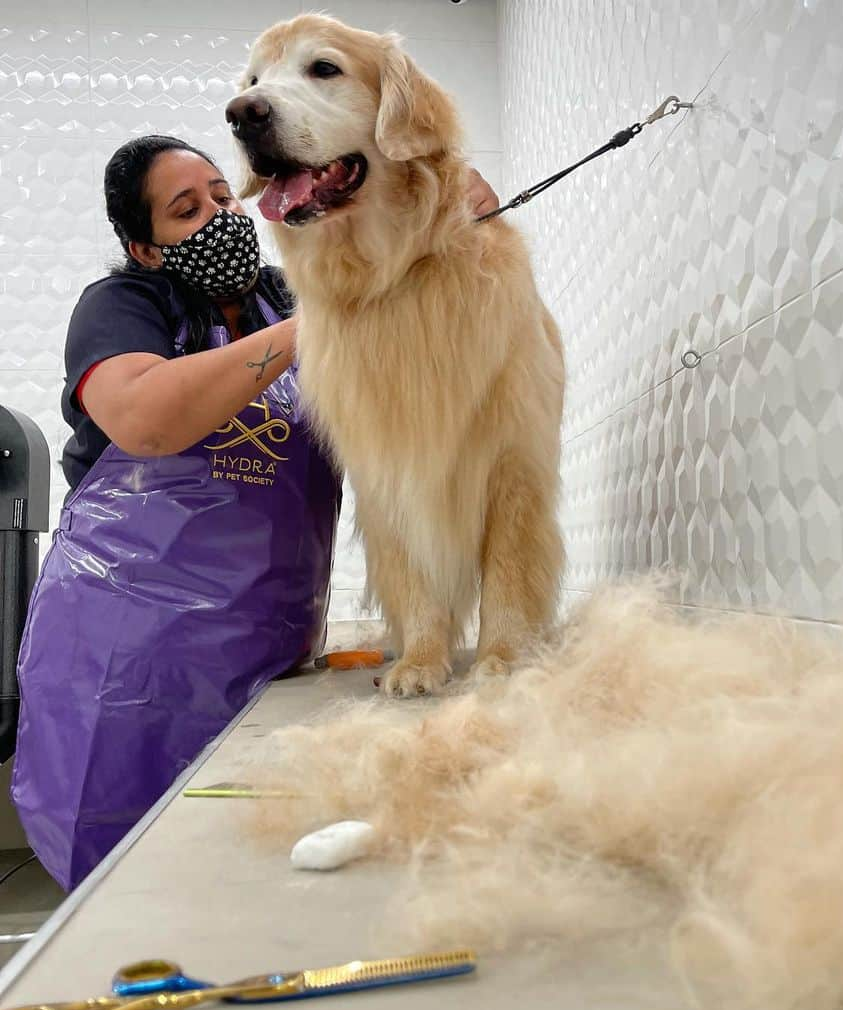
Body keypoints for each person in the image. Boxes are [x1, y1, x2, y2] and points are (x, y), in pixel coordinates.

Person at [11, 135, 499, 890]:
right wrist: (316, 325)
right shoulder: (123, 306)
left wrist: (444, 223)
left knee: (238, 871)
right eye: (186, 210)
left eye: (221, 195)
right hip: (129, 662)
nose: (218, 214)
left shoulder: (288, 291)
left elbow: (406, 323)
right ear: (144, 247)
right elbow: (145, 418)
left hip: (271, 649)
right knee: (125, 881)